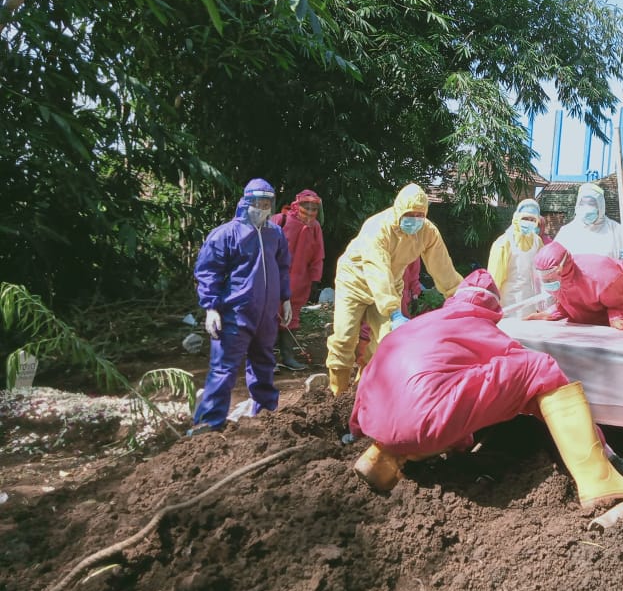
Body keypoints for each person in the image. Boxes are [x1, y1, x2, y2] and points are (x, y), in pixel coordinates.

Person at [349, 270, 623, 508]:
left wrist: (360, 426)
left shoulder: (419, 324)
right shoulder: (483, 330)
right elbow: (533, 380)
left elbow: (394, 380)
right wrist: (610, 454)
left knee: (419, 402)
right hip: (424, 424)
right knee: (539, 367)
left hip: (371, 421)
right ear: (493, 308)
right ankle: (597, 476)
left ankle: (379, 457)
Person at [325, 183, 463, 396]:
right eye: (410, 214)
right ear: (399, 210)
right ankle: (337, 395)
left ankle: (363, 393)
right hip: (355, 282)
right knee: (344, 339)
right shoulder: (378, 228)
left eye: (420, 214)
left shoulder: (427, 232)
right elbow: (376, 269)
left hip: (391, 283)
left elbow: (442, 266)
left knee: (387, 342)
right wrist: (393, 310)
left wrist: (458, 294)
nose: (415, 219)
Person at [190, 178, 291, 435]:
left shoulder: (275, 234)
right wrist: (210, 307)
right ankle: (210, 422)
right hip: (235, 313)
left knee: (264, 364)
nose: (263, 207)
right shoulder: (226, 234)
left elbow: (282, 268)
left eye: (267, 202)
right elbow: (208, 271)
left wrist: (286, 298)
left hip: (266, 315)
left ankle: (266, 414)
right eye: (258, 202)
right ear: (247, 202)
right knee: (224, 368)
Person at [527, 241, 623, 330]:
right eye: (545, 280)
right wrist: (550, 314)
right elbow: (571, 302)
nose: (548, 283)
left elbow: (618, 302)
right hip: (599, 299)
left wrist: (617, 318)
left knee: (619, 334)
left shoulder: (600, 275)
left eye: (550, 279)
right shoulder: (562, 278)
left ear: (562, 268)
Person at [269, 189, 325, 371]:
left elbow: (318, 255)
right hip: (274, 279)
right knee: (269, 316)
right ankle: (266, 360)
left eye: (313, 207)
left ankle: (288, 357)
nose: (309, 211)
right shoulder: (280, 220)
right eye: (305, 206)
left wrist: (315, 279)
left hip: (300, 282)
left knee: (291, 318)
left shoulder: (315, 226)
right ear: (297, 204)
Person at [554, 183, 623, 269]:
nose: (587, 208)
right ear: (577, 205)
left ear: (601, 206)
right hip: (575, 282)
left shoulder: (616, 230)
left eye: (592, 203)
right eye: (583, 203)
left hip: (609, 282)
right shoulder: (567, 232)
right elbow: (553, 260)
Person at [487, 198, 544, 318]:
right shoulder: (504, 242)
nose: (529, 222)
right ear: (517, 217)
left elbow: (542, 274)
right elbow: (494, 278)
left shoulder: (537, 241)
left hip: (531, 305)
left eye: (532, 219)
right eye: (525, 218)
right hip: (508, 305)